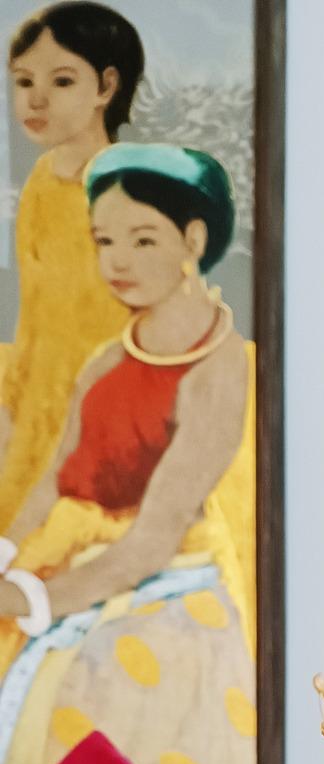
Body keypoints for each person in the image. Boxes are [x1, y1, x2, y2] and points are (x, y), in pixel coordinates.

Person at [0, 143, 255, 764]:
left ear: (193, 241)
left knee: (82, 684)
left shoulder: (220, 369)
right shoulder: (109, 358)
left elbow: (154, 538)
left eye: (143, 240)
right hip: (69, 557)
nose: (117, 261)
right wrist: (6, 552)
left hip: (164, 583)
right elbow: (55, 476)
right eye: (104, 241)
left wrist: (35, 600)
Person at [0, 4, 144, 531]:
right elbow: (33, 309)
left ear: (106, 86)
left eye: (61, 81)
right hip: (40, 399)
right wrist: (11, 406)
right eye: (23, 81)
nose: (35, 99)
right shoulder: (40, 181)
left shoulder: (125, 186)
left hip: (108, 403)